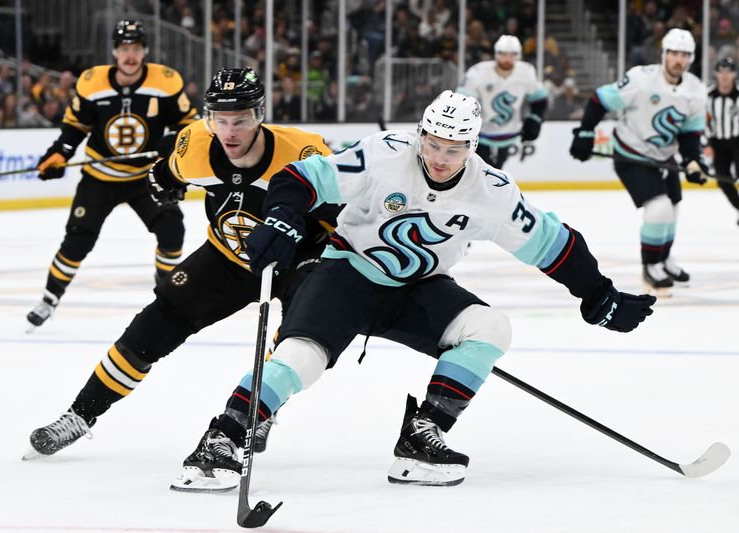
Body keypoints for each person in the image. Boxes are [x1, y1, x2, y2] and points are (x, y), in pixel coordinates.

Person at [181, 90, 656, 490]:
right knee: (302, 358)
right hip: (346, 273)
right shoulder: (385, 153)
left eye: (453, 149)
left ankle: (422, 433)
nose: (439, 158)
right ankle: (222, 436)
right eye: (432, 144)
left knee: (490, 328)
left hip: (418, 288)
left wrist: (597, 293)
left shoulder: (491, 190)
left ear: (472, 146)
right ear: (421, 134)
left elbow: (552, 243)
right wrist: (284, 216)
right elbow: (300, 178)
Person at [22, 68, 340, 484]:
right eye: (220, 119)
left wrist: (305, 239)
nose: (230, 130)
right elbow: (167, 173)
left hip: (294, 261)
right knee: (151, 326)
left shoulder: (303, 152)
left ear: (260, 114)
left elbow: (342, 212)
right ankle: (80, 415)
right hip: (227, 256)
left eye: (241, 119)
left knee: (299, 334)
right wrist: (162, 181)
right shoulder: (195, 144)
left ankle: (259, 411)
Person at [25, 20, 199, 331]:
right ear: (115, 52)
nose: (130, 56)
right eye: (124, 50)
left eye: (136, 49)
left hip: (145, 177)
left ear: (144, 51)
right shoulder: (92, 82)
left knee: (172, 229)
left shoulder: (167, 81)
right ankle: (50, 298)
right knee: (77, 240)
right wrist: (60, 153)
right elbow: (76, 125)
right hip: (99, 177)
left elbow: (188, 124)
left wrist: (173, 144)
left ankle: (166, 289)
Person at [569, 28, 708, 297]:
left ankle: (664, 257)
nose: (679, 60)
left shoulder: (695, 89)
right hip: (631, 154)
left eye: (685, 55)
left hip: (664, 158)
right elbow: (600, 98)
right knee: (659, 208)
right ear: (664, 54)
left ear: (691, 58)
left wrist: (693, 160)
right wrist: (586, 133)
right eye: (674, 53)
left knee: (673, 209)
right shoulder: (641, 80)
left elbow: (690, 133)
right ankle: (651, 266)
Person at [457, 35, 547, 168]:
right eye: (503, 54)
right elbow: (461, 101)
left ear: (519, 55)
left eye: (512, 55)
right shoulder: (478, 72)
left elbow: (539, 100)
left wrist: (535, 119)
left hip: (509, 133)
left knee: (496, 171)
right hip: (480, 133)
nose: (507, 59)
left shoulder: (526, 72)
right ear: (496, 54)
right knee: (479, 170)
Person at [706, 56, 739, 224]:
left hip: (738, 141)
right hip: (718, 143)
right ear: (716, 74)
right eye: (721, 71)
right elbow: (701, 122)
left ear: (734, 74)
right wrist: (706, 143)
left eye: (728, 72)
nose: (725, 75)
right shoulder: (708, 97)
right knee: (722, 180)